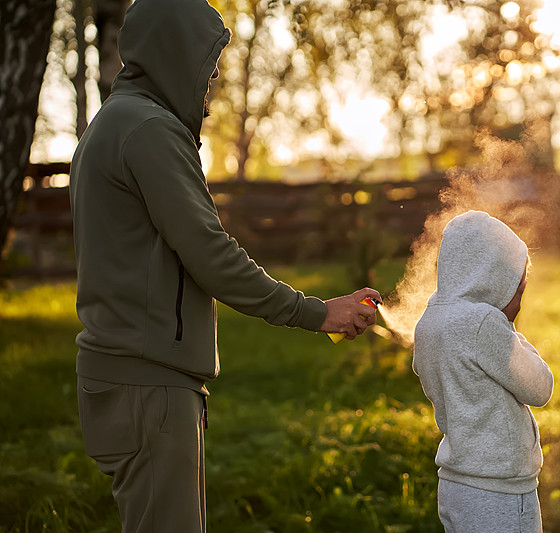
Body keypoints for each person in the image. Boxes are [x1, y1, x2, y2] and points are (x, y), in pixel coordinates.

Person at [68, 0, 380, 531]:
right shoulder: (149, 129)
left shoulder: (116, 123)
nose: (209, 99)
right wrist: (315, 312)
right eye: (207, 75)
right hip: (150, 389)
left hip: (133, 381)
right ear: (175, 58)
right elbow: (209, 253)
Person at [412, 210, 554, 533]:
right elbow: (541, 387)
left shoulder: (429, 323)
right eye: (517, 290)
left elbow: (423, 368)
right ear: (490, 280)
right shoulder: (484, 325)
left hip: (455, 487)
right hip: (499, 492)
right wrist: (510, 332)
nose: (519, 302)